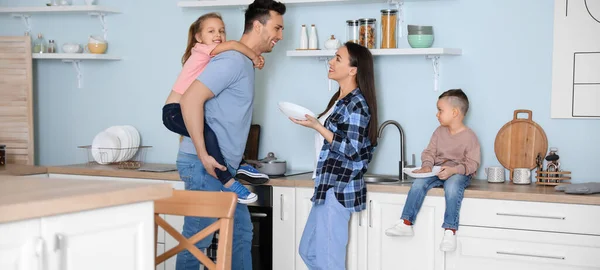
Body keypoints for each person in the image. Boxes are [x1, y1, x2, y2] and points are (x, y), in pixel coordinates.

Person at [175, 0, 286, 269]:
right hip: (206, 167)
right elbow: (189, 101)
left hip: (222, 168)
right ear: (258, 26)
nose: (280, 36)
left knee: (240, 234)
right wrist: (204, 155)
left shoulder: (244, 61)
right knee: (198, 241)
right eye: (277, 28)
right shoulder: (233, 60)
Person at [162, 12, 269, 204]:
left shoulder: (211, 56)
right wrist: (254, 56)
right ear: (198, 37)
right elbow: (234, 45)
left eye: (221, 30)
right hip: (173, 111)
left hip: (177, 110)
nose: (218, 35)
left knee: (213, 133)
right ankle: (228, 181)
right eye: (211, 31)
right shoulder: (203, 49)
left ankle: (239, 164)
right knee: (207, 134)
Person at [292, 42, 379, 270]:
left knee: (330, 261)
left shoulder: (357, 104)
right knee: (308, 251)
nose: (331, 62)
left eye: (338, 58)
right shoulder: (339, 99)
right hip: (325, 186)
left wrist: (317, 127)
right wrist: (315, 125)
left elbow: (351, 149)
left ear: (353, 69)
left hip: (337, 189)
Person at [384, 89, 481, 252]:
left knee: (452, 186)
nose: (437, 114)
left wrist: (453, 170)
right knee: (418, 183)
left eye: (440, 110)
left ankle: (450, 230)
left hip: (458, 173)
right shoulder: (439, 132)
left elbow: (472, 164)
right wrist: (427, 165)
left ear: (455, 112)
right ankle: (406, 223)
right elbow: (429, 152)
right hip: (437, 170)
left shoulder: (469, 137)